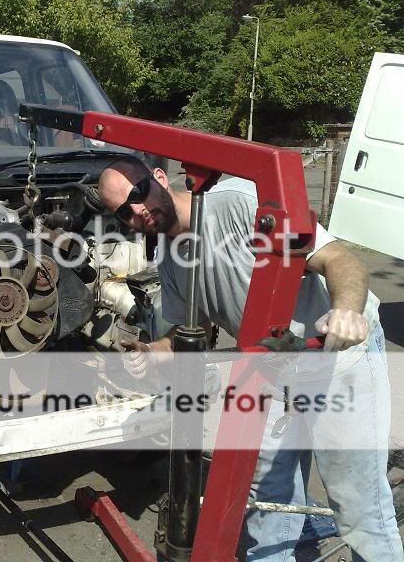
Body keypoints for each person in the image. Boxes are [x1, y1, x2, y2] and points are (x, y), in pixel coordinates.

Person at [97, 157, 403, 561]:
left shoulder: (240, 204)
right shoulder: (172, 260)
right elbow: (193, 330)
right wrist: (153, 351)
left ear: (158, 177)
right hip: (273, 370)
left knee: (358, 508)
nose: (137, 210)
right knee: (266, 504)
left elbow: (339, 259)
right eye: (123, 210)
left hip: (337, 359)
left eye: (137, 194)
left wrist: (346, 310)